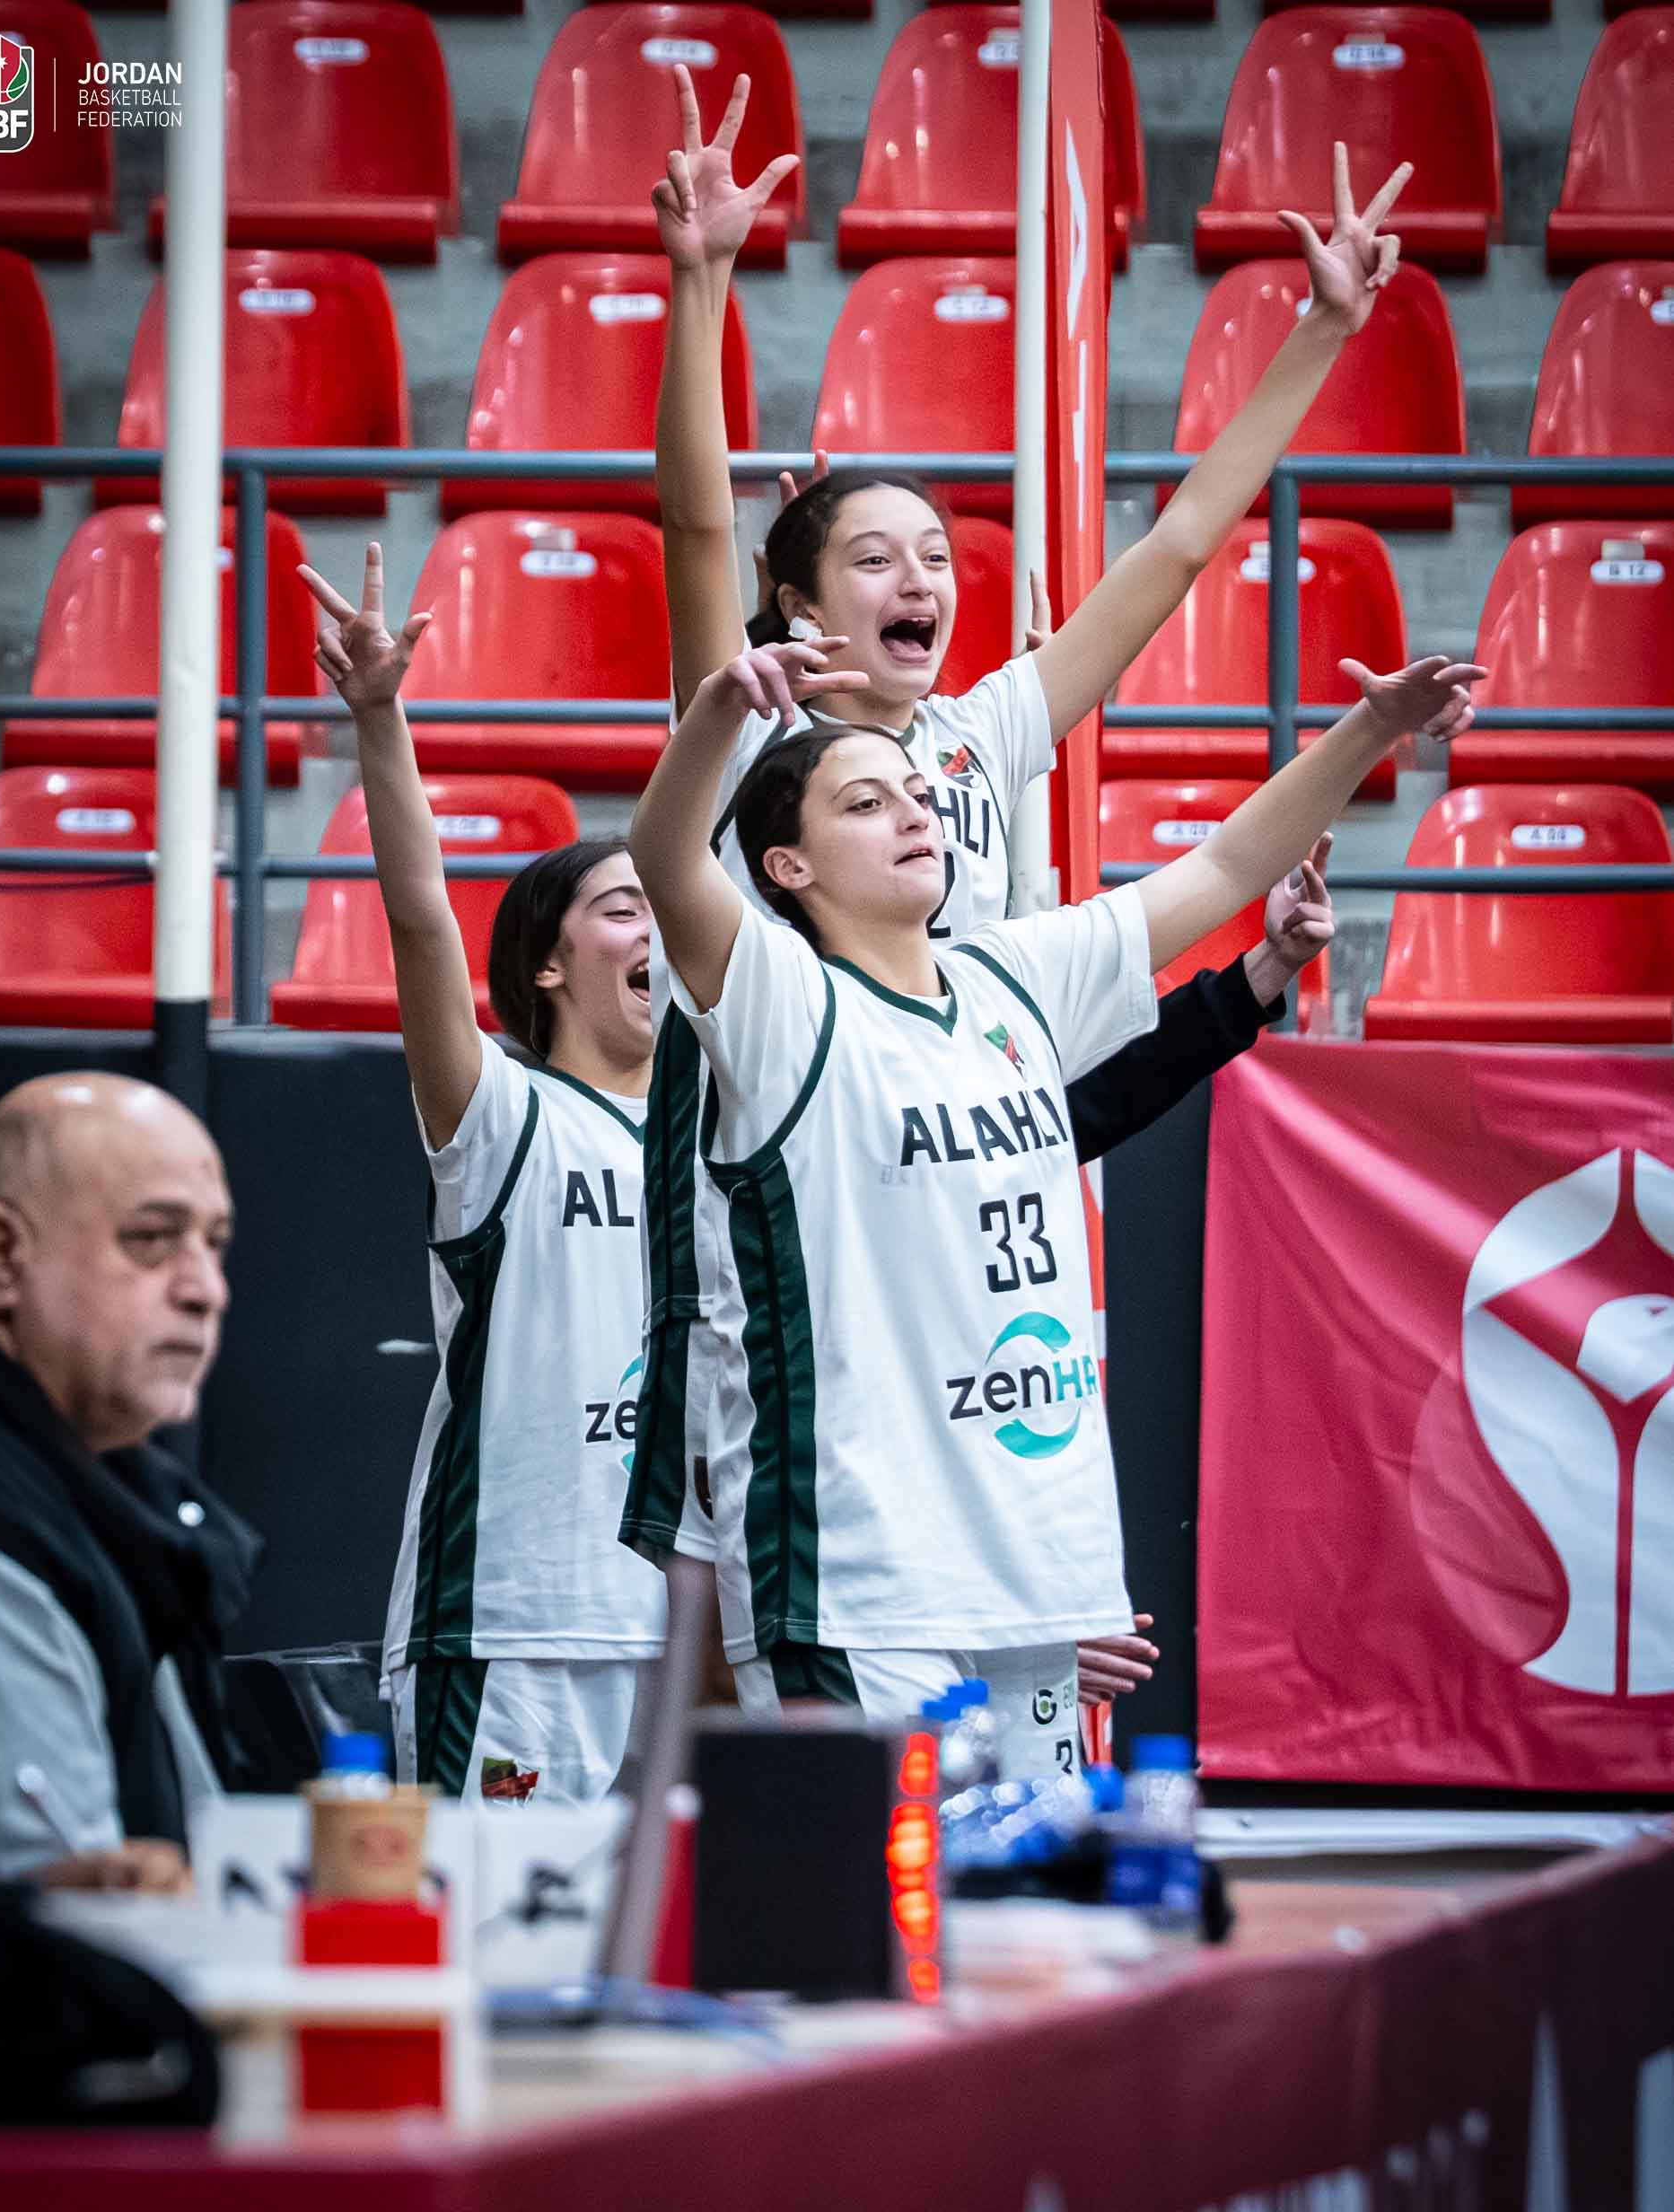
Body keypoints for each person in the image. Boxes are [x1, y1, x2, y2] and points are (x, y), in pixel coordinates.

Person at [623, 71, 1381, 1712]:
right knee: (765, 1629)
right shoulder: (759, 729)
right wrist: (700, 284)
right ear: (795, 604)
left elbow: (1176, 549)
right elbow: (690, 521)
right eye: (874, 556)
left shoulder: (973, 738)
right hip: (785, 1176)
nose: (921, 579)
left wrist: (1318, 335)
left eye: (936, 555)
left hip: (949, 1129)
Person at [627, 608, 1479, 1757]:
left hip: (1035, 1566)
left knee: (1037, 1874)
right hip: (854, 1577)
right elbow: (666, 861)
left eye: (916, 792)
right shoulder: (782, 1003)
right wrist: (720, 707)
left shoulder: (1013, 975)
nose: (913, 812)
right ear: (789, 866)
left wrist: (1369, 729)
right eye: (864, 803)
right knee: (875, 1876)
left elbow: (1227, 864)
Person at [299, 547, 666, 1808]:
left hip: (681, 1633)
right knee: (502, 1922)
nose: (658, 930)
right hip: (510, 1627)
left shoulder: (724, 1139)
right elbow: (418, 917)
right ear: (546, 965)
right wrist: (379, 717)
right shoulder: (504, 1113)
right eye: (622, 910)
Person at [0, 1074, 255, 1887]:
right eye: (152, 1238)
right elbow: (42, 1928)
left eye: (214, 1243)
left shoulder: (116, 1497)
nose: (207, 1289)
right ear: (1, 1257)